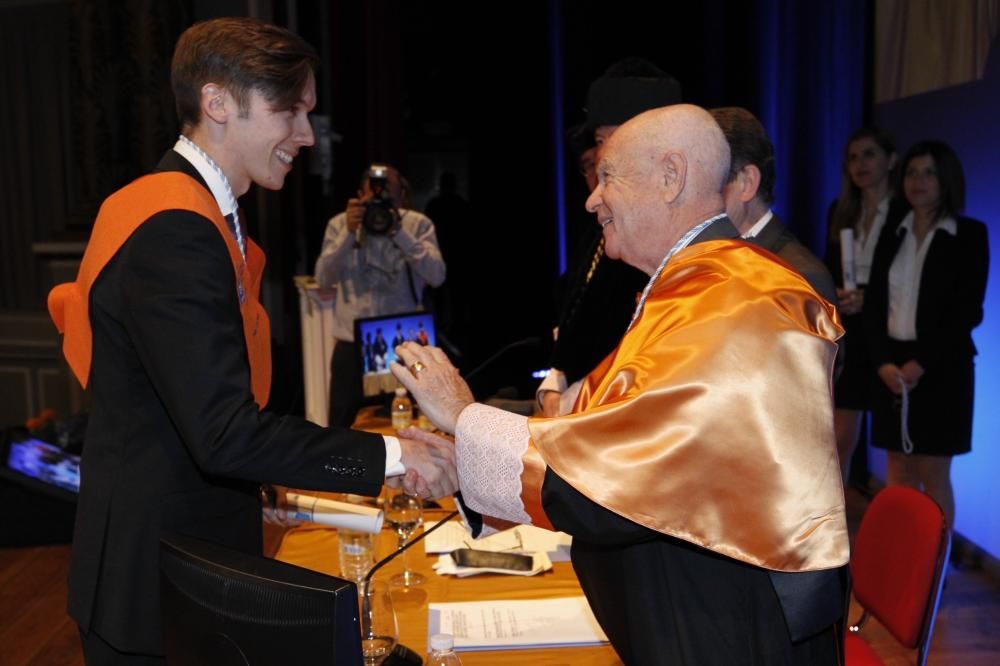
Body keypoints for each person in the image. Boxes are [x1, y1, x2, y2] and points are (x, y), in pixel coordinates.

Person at [46, 18, 456, 664]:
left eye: (308, 113)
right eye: (288, 111)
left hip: (177, 564)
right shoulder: (176, 228)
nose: (304, 134)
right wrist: (395, 457)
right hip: (152, 590)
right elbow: (222, 432)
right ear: (217, 103)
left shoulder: (195, 213)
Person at [393, 105, 849, 665]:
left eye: (608, 176)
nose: (591, 198)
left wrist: (464, 415)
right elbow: (594, 420)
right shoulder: (698, 283)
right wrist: (464, 455)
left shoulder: (735, 296)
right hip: (702, 600)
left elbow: (620, 472)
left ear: (671, 176)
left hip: (728, 618)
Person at [538, 59, 680, 416]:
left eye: (604, 140)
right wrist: (554, 385)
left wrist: (566, 402)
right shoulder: (607, 227)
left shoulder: (672, 240)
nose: (599, 155)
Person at [863, 140, 989, 530]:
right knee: (898, 469)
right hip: (891, 364)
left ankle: (933, 575)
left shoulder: (968, 234)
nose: (918, 181)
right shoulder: (892, 233)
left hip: (941, 367)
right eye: (912, 173)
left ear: (946, 179)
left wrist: (921, 364)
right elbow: (875, 305)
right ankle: (904, 569)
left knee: (933, 472)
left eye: (929, 173)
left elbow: (967, 312)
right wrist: (882, 361)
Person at [315, 164, 445, 426]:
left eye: (389, 194)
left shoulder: (417, 225)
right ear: (359, 195)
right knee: (342, 429)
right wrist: (348, 234)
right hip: (352, 346)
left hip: (404, 344)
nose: (380, 201)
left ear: (402, 195)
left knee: (412, 424)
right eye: (373, 195)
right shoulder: (340, 225)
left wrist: (400, 232)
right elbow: (323, 280)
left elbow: (437, 276)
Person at [825, 127, 907, 482]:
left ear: (891, 161)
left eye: (869, 154)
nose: (860, 164)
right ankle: (834, 524)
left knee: (897, 448)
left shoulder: (907, 210)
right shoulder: (841, 210)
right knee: (840, 437)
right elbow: (828, 267)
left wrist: (870, 298)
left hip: (891, 330)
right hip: (850, 329)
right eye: (854, 157)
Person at [711, 107, 837, 304]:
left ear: (747, 183)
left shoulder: (801, 277)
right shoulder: (704, 260)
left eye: (709, 182)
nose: (694, 197)